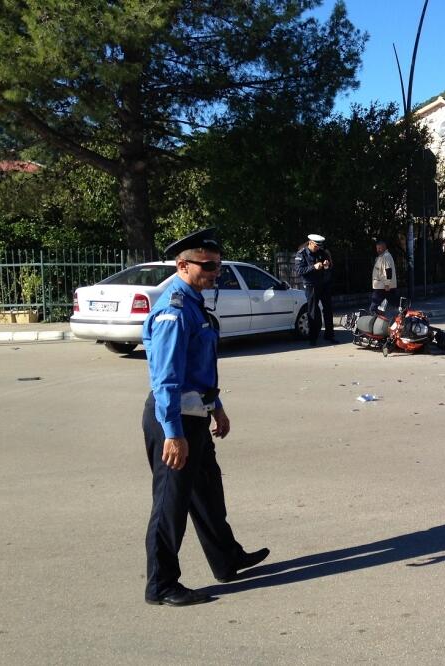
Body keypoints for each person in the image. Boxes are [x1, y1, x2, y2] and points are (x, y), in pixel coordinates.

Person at [141, 228, 269, 606]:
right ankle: (161, 585)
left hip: (195, 414)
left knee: (208, 491)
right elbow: (165, 378)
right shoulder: (174, 310)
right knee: (171, 504)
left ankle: (226, 558)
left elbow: (200, 369)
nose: (216, 272)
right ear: (183, 265)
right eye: (209, 265)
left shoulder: (194, 303)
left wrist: (217, 407)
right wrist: (173, 433)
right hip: (174, 419)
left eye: (218, 266)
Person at [294, 233, 336, 345]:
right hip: (311, 285)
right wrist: (313, 267)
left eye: (319, 246)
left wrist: (327, 265)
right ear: (310, 243)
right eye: (316, 246)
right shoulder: (301, 254)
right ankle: (313, 339)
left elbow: (328, 267)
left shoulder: (321, 252)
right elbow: (299, 270)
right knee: (312, 312)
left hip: (323, 284)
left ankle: (329, 335)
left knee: (328, 310)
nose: (318, 248)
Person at [371, 239, 397, 310]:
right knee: (395, 304)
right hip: (383, 286)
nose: (378, 250)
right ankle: (404, 315)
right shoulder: (382, 256)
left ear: (384, 247)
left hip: (383, 287)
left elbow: (388, 270)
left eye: (380, 248)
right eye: (377, 248)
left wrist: (387, 284)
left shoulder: (386, 256)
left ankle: (375, 319)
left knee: (374, 307)